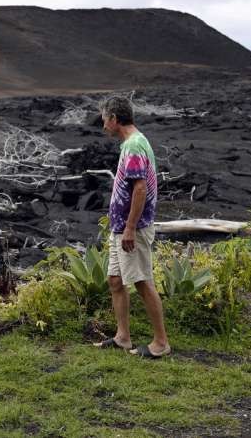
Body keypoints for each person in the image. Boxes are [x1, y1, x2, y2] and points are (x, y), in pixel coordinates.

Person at [93, 96, 170, 358]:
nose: (103, 125)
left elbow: (140, 189)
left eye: (105, 119)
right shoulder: (131, 143)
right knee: (115, 280)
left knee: (141, 282)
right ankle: (122, 337)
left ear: (114, 118)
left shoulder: (135, 145)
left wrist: (129, 228)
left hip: (132, 229)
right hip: (121, 228)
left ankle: (161, 342)